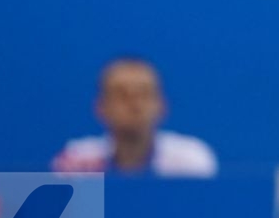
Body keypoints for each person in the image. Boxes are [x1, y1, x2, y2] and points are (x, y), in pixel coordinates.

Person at [52, 57, 216, 176]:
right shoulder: (77, 161)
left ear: (162, 106)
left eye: (144, 94)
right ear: (100, 108)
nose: (135, 104)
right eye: (122, 95)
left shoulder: (190, 161)